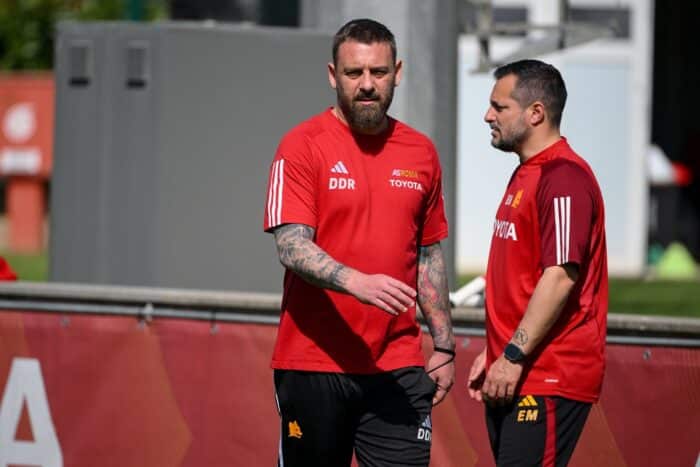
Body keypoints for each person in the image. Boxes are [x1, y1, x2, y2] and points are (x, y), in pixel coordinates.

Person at [263, 18, 455, 467]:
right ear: (334, 76)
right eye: (354, 73)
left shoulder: (421, 152)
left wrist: (444, 345)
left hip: (398, 364)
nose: (367, 84)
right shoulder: (301, 145)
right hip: (314, 362)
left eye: (378, 72)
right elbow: (290, 246)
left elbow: (428, 254)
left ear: (397, 73)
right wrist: (357, 282)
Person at [467, 59, 608, 466]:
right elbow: (522, 276)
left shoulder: (563, 178)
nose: (488, 115)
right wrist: (495, 350)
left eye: (499, 107)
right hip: (518, 366)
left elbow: (560, 276)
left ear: (536, 113)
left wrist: (512, 355)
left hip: (547, 372)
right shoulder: (527, 173)